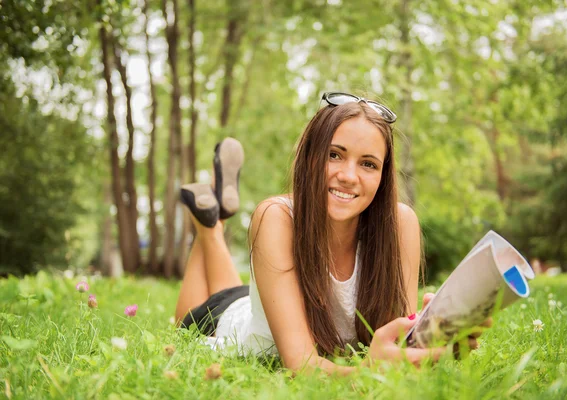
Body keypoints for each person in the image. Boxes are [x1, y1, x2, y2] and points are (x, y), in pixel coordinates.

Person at [175, 92, 486, 375]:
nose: (348, 176)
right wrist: (369, 370)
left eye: (368, 164)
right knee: (184, 320)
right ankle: (209, 225)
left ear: (383, 176)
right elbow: (303, 366)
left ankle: (213, 213)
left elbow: (397, 338)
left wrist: (434, 341)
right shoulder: (276, 216)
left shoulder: (401, 224)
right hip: (228, 320)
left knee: (240, 290)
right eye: (334, 155)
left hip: (266, 298)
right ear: (310, 156)